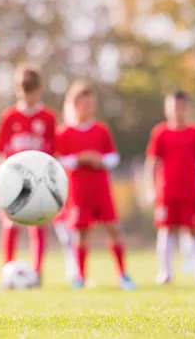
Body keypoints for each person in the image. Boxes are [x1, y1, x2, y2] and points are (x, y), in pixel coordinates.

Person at [56, 81, 136, 290]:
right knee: (82, 234)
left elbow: (113, 157)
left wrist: (100, 160)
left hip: (101, 190)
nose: (89, 108)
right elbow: (60, 160)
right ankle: (80, 276)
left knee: (114, 229)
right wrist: (81, 159)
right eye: (84, 104)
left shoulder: (101, 130)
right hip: (79, 192)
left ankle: (123, 275)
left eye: (91, 104)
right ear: (74, 105)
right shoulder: (64, 132)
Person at [0, 65, 56, 288]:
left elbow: (53, 153)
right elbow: (2, 152)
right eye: (23, 92)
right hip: (13, 184)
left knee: (38, 226)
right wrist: (1, 183)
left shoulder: (48, 117)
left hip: (39, 184)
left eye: (32, 92)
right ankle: (7, 271)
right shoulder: (9, 117)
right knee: (10, 226)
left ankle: (37, 274)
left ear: (39, 90)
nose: (28, 97)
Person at [145, 91, 195, 285]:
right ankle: (165, 272)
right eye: (174, 108)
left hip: (190, 191)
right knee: (167, 230)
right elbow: (152, 162)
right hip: (167, 191)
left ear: (187, 108)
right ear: (167, 109)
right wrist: (150, 189)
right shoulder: (160, 132)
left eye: (181, 107)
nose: (177, 112)